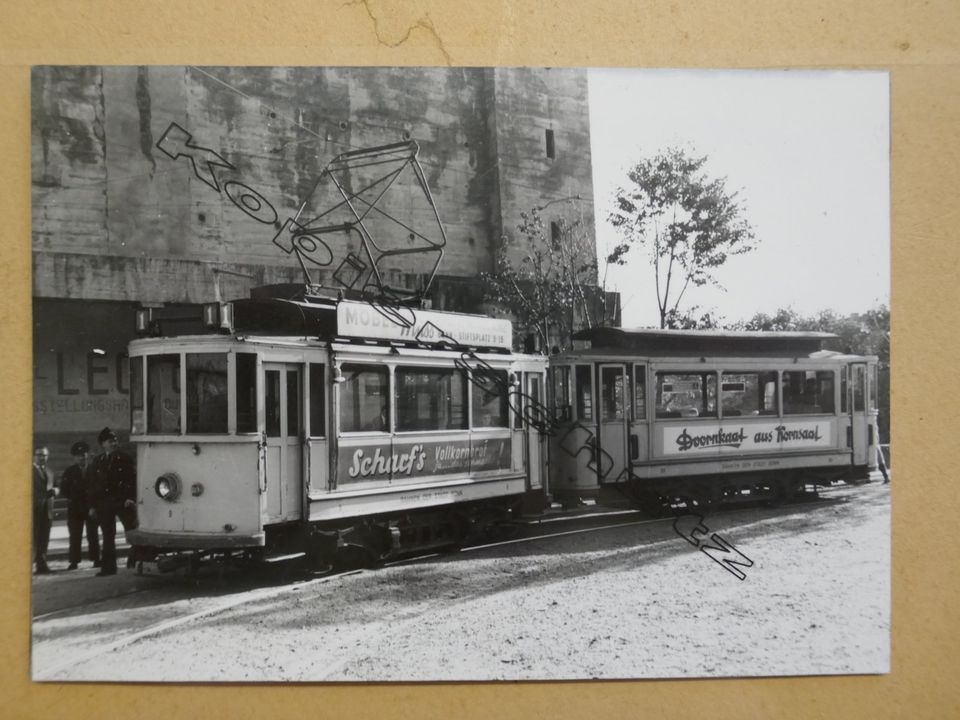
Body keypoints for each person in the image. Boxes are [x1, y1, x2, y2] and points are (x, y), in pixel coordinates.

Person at [86, 428, 136, 576]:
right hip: (105, 503)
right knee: (108, 535)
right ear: (103, 444)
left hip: (123, 501)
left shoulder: (125, 458)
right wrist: (92, 506)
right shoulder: (98, 461)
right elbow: (92, 485)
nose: (114, 443)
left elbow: (132, 480)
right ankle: (108, 567)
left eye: (115, 440)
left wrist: (130, 498)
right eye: (110, 441)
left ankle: (135, 560)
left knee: (131, 531)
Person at [59, 440, 100, 570]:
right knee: (75, 535)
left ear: (88, 455)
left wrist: (94, 506)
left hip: (91, 508)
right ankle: (74, 561)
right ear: (75, 457)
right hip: (75, 509)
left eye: (84, 454)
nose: (82, 457)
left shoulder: (95, 470)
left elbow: (99, 489)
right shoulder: (69, 472)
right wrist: (74, 498)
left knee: (93, 535)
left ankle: (96, 559)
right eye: (79, 455)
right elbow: (64, 490)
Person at [32, 447, 55, 575]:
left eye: (45, 455)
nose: (42, 457)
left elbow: (54, 485)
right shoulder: (28, 471)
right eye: (39, 455)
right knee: (34, 538)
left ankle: (42, 563)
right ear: (34, 456)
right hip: (34, 509)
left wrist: (56, 490)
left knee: (44, 538)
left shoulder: (50, 471)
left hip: (47, 509)